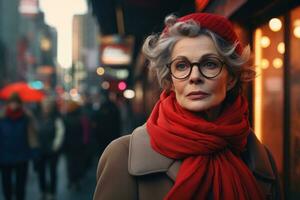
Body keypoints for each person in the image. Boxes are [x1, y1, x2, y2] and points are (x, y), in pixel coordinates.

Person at [93, 13, 282, 200]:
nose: (194, 76)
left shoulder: (260, 158)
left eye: (209, 64)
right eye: (182, 65)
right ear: (171, 80)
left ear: (231, 77)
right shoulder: (122, 156)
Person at [0, 93, 38, 200]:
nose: (13, 105)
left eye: (16, 102)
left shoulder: (26, 117)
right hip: (4, 156)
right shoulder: (2, 117)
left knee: (20, 185)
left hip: (22, 156)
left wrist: (34, 153)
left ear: (20, 104)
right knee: (6, 184)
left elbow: (33, 135)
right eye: (11, 102)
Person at [35, 98, 65, 200]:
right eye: (44, 105)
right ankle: (43, 191)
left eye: (48, 105)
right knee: (41, 172)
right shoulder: (37, 117)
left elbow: (60, 133)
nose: (46, 108)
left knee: (52, 172)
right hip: (40, 149)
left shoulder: (56, 118)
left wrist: (55, 146)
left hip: (52, 150)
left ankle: (52, 192)